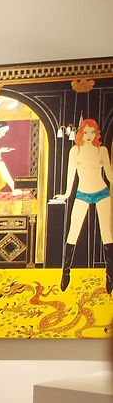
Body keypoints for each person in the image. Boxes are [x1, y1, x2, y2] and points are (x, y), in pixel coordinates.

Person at [56, 118, 113, 293]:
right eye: (86, 132)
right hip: (82, 193)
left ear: (97, 133)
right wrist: (66, 194)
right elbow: (71, 175)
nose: (89, 135)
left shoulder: (102, 150)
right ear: (81, 133)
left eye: (93, 132)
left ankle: (110, 275)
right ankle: (65, 272)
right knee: (73, 231)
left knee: (107, 234)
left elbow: (110, 175)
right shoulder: (75, 151)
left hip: (102, 193)